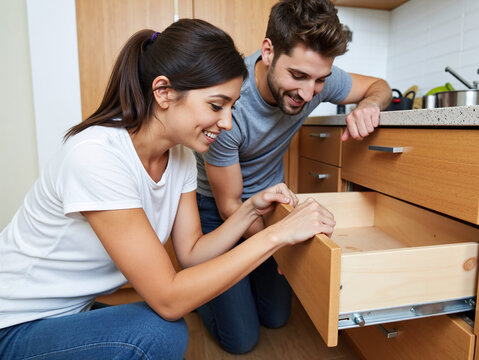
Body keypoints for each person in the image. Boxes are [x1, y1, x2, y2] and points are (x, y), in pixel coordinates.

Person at [0, 19, 336, 360]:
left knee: (158, 324)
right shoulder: (95, 157)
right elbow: (169, 298)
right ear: (163, 92)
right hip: (13, 324)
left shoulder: (179, 158)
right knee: (158, 332)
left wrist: (251, 209)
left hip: (70, 312)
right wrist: (277, 236)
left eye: (232, 107)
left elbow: (191, 252)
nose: (227, 122)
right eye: (217, 105)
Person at [194, 0, 393, 354]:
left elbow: (379, 85)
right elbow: (229, 205)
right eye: (298, 76)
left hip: (271, 206)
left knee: (276, 317)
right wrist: (282, 248)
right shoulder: (230, 108)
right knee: (241, 340)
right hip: (220, 210)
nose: (307, 93)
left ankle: (239, 287)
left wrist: (368, 106)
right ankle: (198, 290)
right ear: (268, 52)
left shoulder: (315, 80)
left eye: (320, 80)